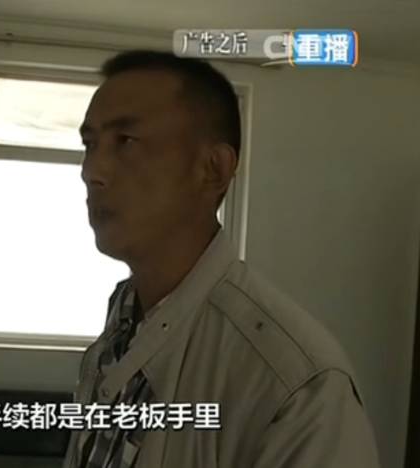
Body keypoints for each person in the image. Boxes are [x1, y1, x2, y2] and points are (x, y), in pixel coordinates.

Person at [61, 49, 381, 468]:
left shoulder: (298, 385)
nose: (92, 171)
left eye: (126, 141)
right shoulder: (121, 321)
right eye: (90, 144)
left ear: (213, 168)